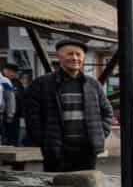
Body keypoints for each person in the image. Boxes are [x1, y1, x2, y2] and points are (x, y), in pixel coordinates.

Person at [24, 41, 112, 172]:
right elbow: (31, 116)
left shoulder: (93, 84)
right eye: (70, 54)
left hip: (86, 151)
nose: (75, 58)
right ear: (60, 56)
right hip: (56, 151)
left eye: (78, 54)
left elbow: (107, 112)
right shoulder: (42, 84)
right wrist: (43, 139)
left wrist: (99, 133)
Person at [1, 63, 20, 146]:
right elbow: (10, 100)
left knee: (12, 139)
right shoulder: (5, 81)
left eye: (15, 72)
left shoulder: (16, 82)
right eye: (12, 72)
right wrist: (9, 115)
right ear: (6, 70)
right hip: (5, 116)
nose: (14, 74)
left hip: (14, 117)